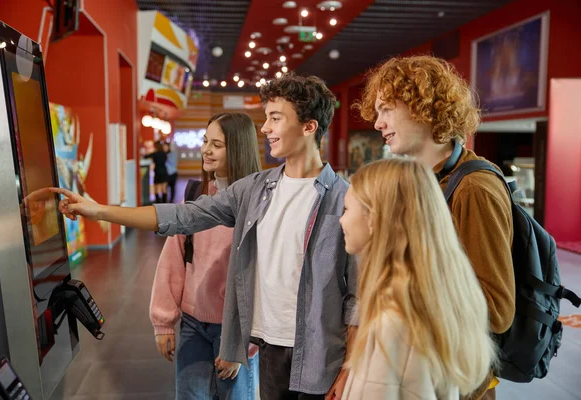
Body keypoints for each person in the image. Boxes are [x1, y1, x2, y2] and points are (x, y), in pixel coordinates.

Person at [51, 73, 358, 400]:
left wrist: (351, 366)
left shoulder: (346, 199)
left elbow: (357, 296)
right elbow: (183, 216)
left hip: (320, 356)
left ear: (309, 127)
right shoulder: (255, 190)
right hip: (266, 348)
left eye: (275, 118)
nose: (265, 128)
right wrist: (100, 211)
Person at [356, 55, 515, 399]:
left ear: (421, 106)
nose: (377, 123)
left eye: (386, 109)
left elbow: (497, 310)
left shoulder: (474, 187)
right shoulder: (429, 179)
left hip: (459, 382)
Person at [338, 158, 497, 399]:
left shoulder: (394, 324)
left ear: (375, 218)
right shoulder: (425, 304)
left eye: (347, 209)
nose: (341, 220)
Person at [150, 113, 261, 400]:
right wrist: (163, 323)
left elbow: (263, 278)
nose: (206, 150)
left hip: (234, 329)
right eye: (205, 141)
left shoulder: (258, 203)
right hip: (193, 325)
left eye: (217, 144)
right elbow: (173, 260)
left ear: (238, 148)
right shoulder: (197, 194)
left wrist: (241, 344)